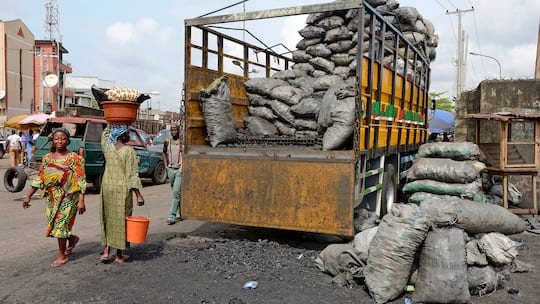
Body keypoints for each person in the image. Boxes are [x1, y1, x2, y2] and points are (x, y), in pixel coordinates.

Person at [21, 128, 86, 268]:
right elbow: (40, 178)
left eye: (63, 139)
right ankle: (72, 239)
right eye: (57, 139)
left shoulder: (74, 158)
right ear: (53, 140)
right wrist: (28, 196)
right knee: (55, 225)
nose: (60, 141)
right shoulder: (47, 158)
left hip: (69, 197)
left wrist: (81, 200)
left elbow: (80, 180)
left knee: (61, 224)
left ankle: (62, 256)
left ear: (68, 140)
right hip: (52, 197)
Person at [99, 124, 145, 264]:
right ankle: (119, 255)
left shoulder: (107, 147)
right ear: (123, 135)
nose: (129, 136)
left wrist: (111, 122)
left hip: (107, 188)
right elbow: (132, 175)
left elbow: (105, 134)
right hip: (121, 190)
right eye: (128, 134)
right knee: (121, 220)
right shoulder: (128, 151)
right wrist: (138, 194)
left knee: (107, 216)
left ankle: (106, 251)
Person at [163, 124, 183, 225]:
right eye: (172, 130)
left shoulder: (183, 142)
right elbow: (163, 153)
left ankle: (172, 215)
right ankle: (180, 213)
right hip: (170, 170)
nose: (173, 132)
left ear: (178, 130)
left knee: (176, 192)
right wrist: (166, 166)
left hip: (179, 170)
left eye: (175, 130)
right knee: (176, 193)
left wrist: (182, 167)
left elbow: (185, 155)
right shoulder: (167, 142)